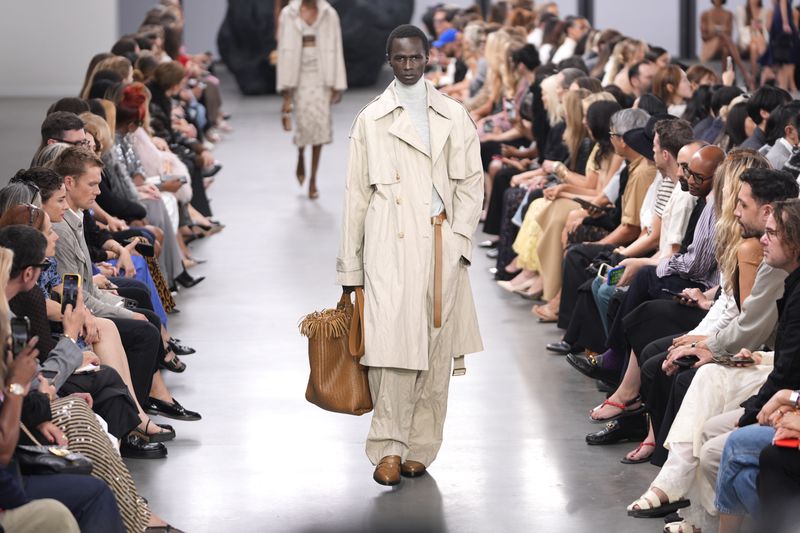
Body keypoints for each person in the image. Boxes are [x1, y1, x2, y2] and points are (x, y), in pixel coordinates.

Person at [336, 24, 483, 486]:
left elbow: (471, 184)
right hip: (388, 242)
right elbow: (355, 196)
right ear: (389, 59)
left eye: (415, 58)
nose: (408, 65)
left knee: (436, 350)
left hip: (442, 243)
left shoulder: (454, 115)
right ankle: (387, 449)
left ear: (427, 59)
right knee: (390, 350)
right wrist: (350, 269)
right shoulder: (371, 119)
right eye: (399, 58)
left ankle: (421, 445)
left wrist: (460, 241)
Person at [277, 0, 347, 199]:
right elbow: (283, 50)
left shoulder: (329, 14)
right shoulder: (288, 13)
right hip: (297, 76)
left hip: (322, 75)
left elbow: (337, 46)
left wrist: (338, 84)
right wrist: (285, 89)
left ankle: (313, 178)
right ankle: (300, 152)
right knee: (304, 124)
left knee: (320, 125)